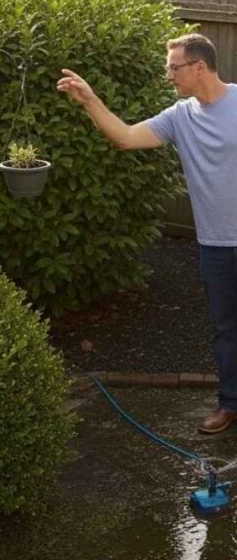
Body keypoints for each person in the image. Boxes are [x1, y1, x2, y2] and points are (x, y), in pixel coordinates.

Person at [58, 33, 237, 434]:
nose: (168, 75)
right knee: (225, 328)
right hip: (215, 244)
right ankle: (230, 404)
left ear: (199, 67)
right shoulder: (179, 116)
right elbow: (124, 137)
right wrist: (90, 100)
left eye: (174, 67)